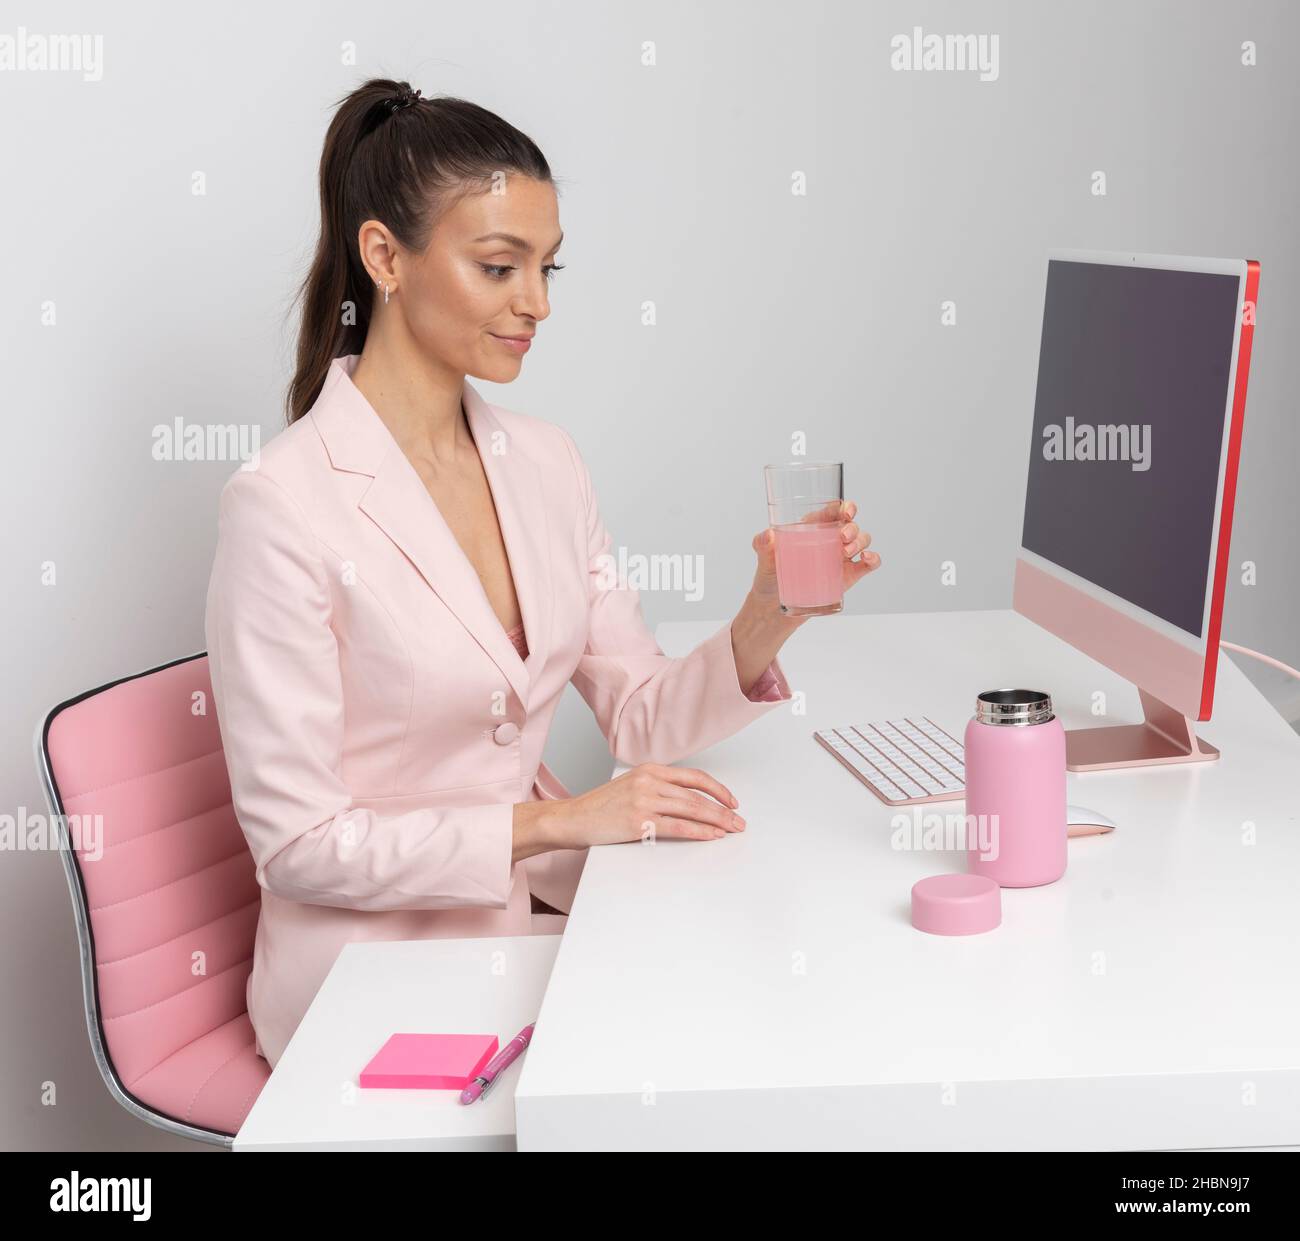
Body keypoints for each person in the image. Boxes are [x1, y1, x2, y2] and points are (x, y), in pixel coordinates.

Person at [204, 79, 881, 1067]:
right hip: (366, 980)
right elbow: (299, 843)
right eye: (498, 266)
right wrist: (556, 819)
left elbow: (641, 713)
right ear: (384, 257)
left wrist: (767, 613)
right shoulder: (281, 504)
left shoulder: (546, 461)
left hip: (529, 920)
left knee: (773, 1003)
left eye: (547, 267)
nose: (538, 303)